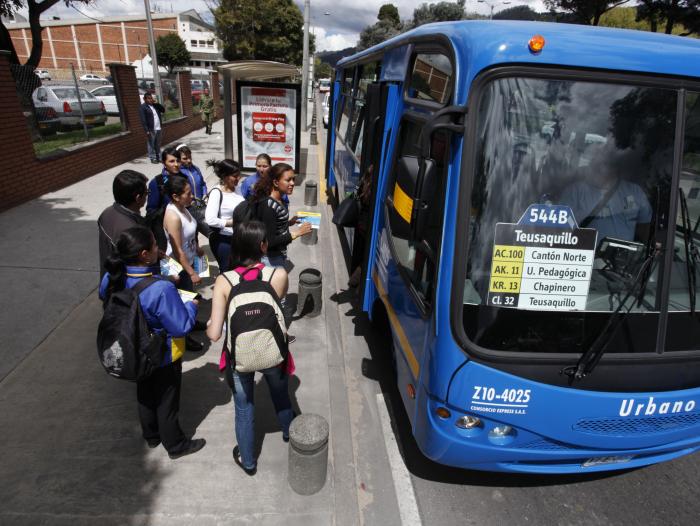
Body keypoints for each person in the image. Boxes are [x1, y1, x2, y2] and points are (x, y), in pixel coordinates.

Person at [100, 226, 206, 459]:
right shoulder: (161, 289)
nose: (158, 247)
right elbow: (181, 327)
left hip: (132, 347)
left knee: (144, 392)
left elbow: (105, 295)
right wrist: (191, 306)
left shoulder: (113, 275)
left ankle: (152, 436)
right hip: (163, 352)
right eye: (154, 245)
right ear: (144, 254)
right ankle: (176, 445)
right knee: (167, 400)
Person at [206, 221, 294, 476]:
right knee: (280, 393)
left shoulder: (224, 281)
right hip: (272, 351)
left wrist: (212, 322)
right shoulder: (278, 275)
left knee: (244, 408)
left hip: (239, 356)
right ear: (263, 245)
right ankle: (288, 431)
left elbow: (214, 335)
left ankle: (248, 461)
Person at [559, 142, 652, 245]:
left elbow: (644, 227)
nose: (598, 167)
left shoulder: (634, 192)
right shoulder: (575, 192)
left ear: (615, 166)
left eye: (605, 163)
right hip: (585, 257)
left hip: (623, 258)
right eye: (595, 162)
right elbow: (562, 227)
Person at [163, 174, 205, 351]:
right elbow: (177, 250)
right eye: (188, 193)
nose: (192, 196)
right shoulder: (173, 216)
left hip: (189, 259)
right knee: (181, 301)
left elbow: (190, 235)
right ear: (175, 196)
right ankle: (184, 337)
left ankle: (191, 322)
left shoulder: (184, 207)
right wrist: (191, 272)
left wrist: (196, 250)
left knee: (190, 295)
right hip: (177, 266)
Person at [253, 162, 312, 269]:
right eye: (288, 180)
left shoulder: (281, 200)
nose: (293, 183)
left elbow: (274, 225)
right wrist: (297, 233)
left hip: (279, 254)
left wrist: (289, 222)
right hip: (271, 259)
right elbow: (269, 241)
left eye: (293, 179)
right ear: (276, 182)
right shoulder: (269, 207)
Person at [97, 170, 148, 284]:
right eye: (146, 192)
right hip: (126, 289)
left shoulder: (106, 213)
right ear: (138, 198)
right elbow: (139, 268)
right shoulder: (133, 230)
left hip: (109, 281)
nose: (147, 195)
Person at [205, 159, 245, 273]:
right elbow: (211, 220)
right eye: (235, 176)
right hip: (223, 240)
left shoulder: (238, 188)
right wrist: (231, 222)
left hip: (238, 237)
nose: (238, 178)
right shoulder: (216, 193)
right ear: (225, 176)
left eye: (239, 175)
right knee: (227, 272)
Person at [139, 93, 165, 164]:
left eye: (151, 98)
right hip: (151, 129)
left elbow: (163, 110)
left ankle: (159, 157)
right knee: (151, 144)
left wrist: (157, 103)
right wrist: (146, 130)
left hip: (158, 128)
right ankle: (153, 158)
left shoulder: (155, 105)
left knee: (158, 144)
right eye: (148, 98)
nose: (150, 100)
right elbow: (143, 120)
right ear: (144, 99)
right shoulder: (143, 107)